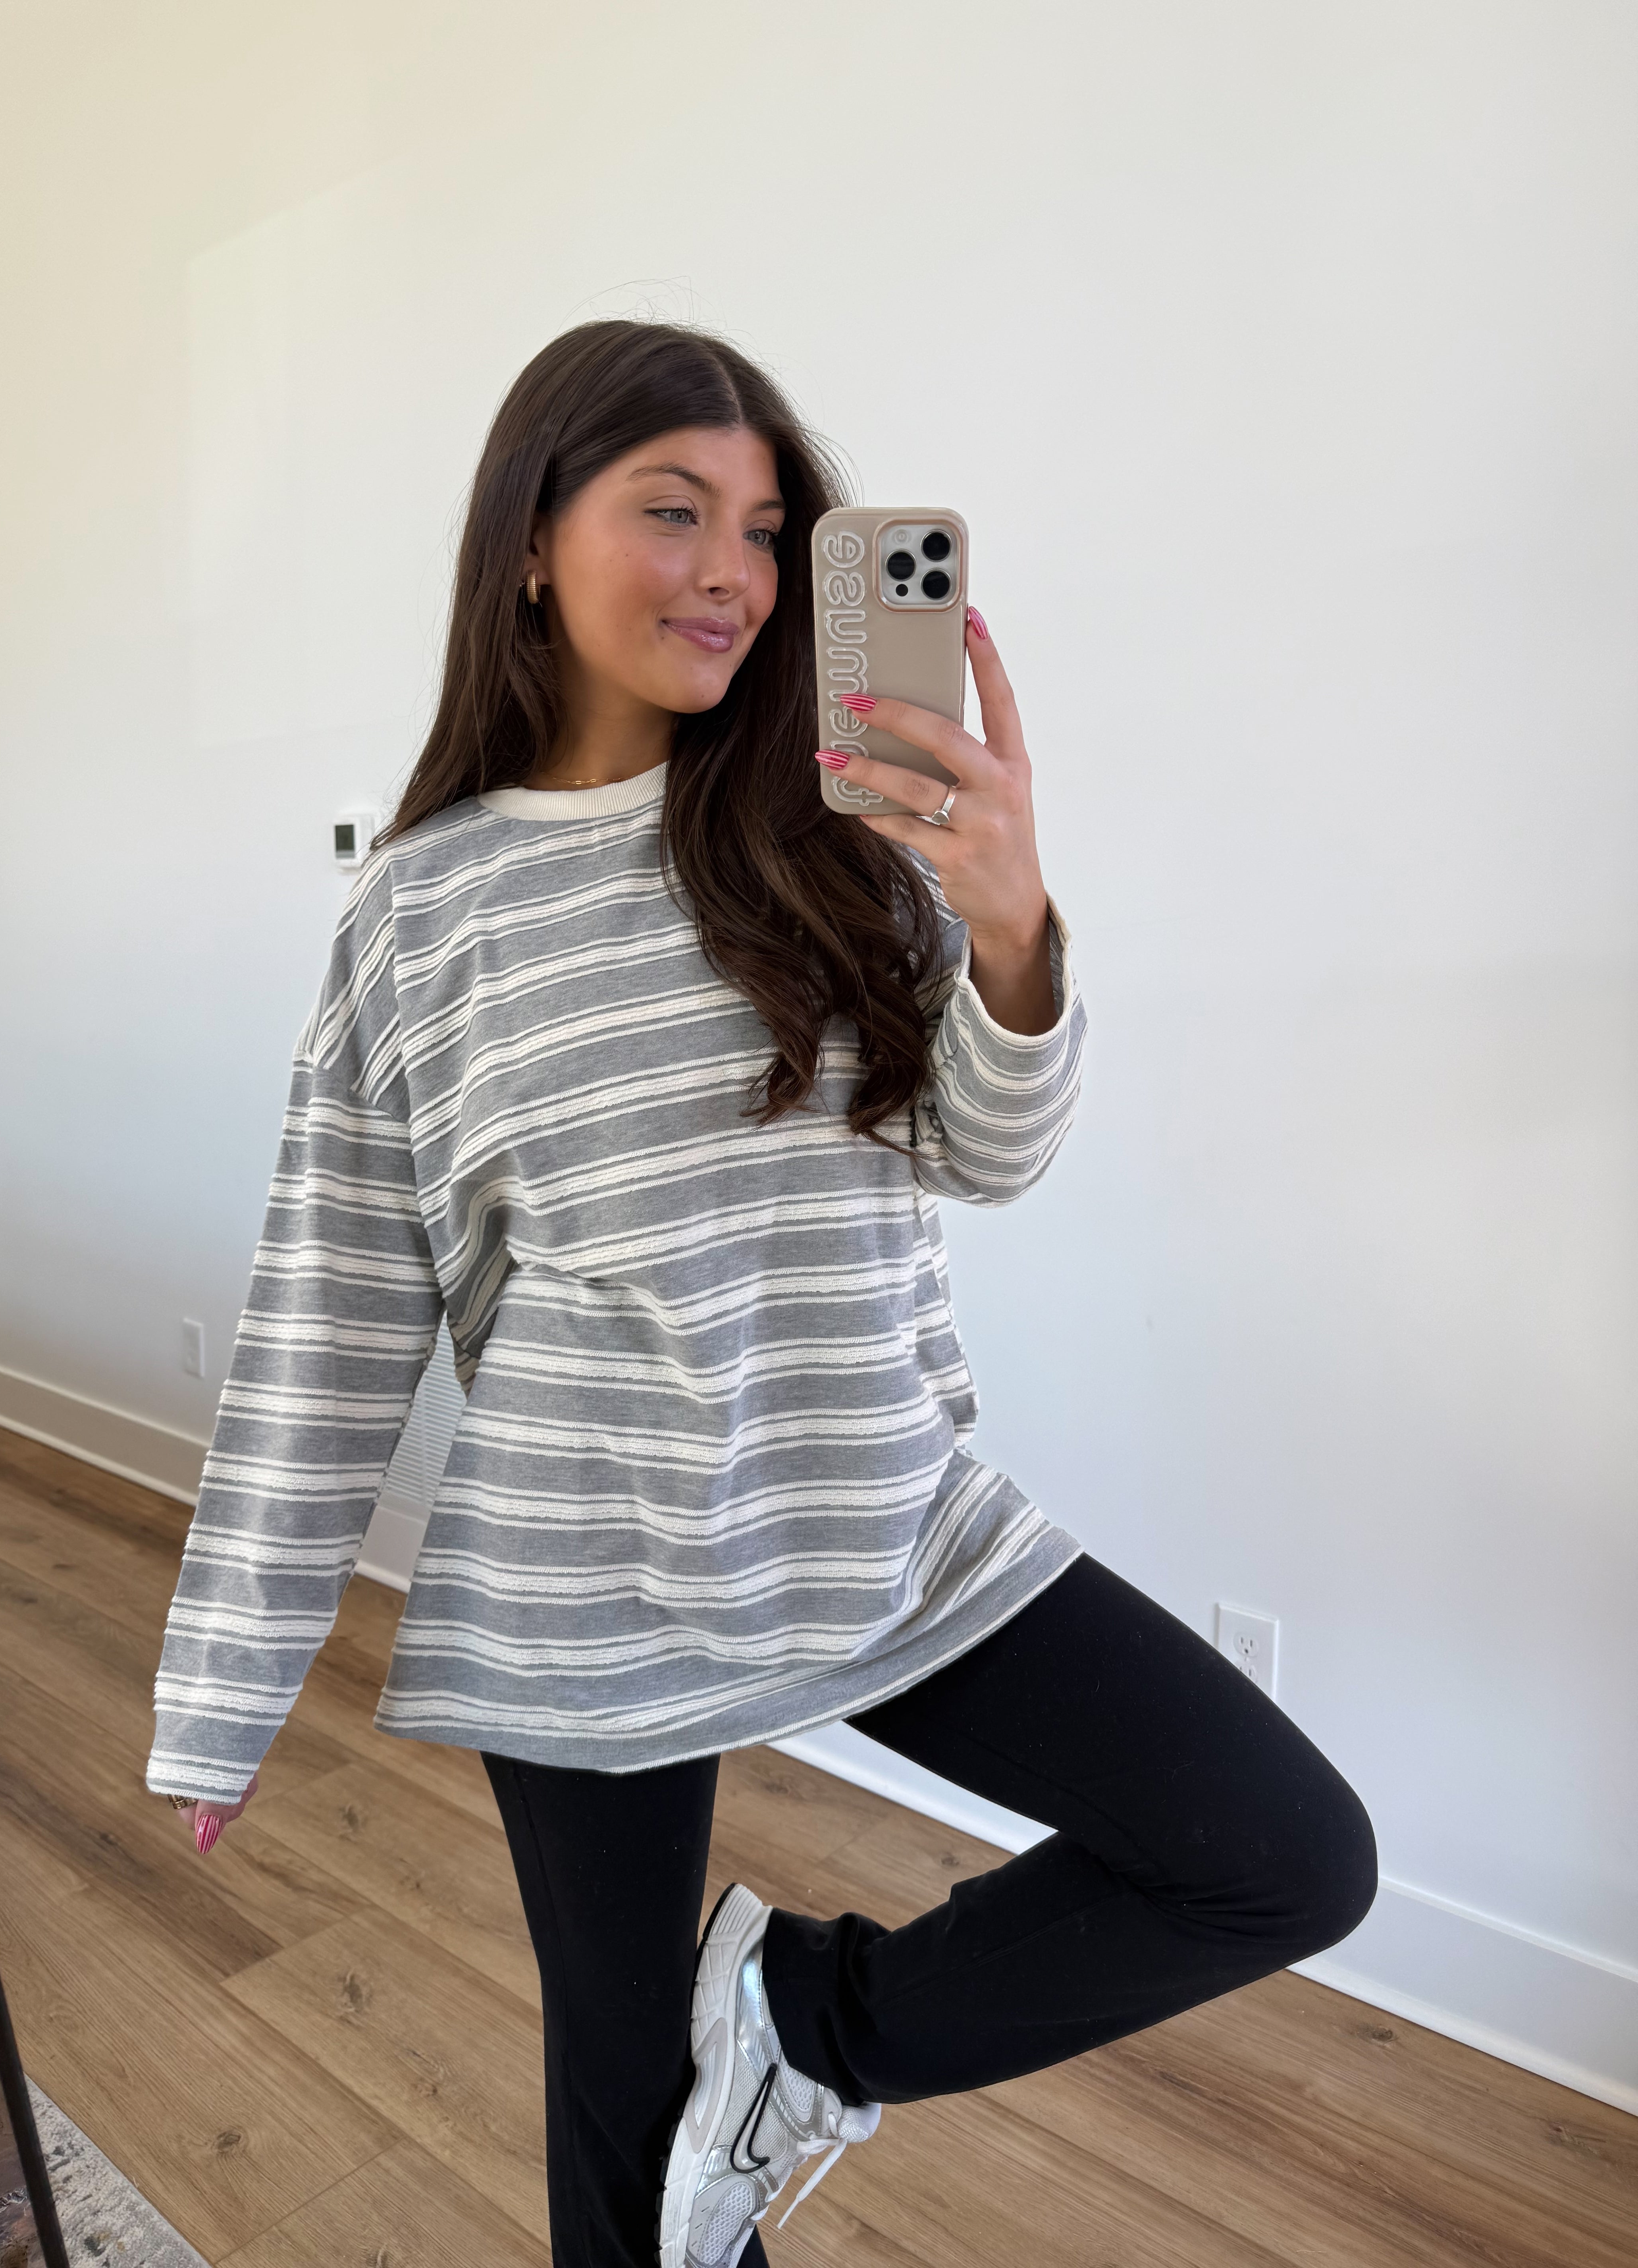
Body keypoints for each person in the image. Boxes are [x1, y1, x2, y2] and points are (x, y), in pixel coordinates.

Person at [145, 320, 1376, 2268]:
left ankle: (804, 2021)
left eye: (768, 529)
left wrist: (1011, 925)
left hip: (876, 1512)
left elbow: (985, 1155)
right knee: (633, 2134)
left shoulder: (846, 836)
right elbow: (331, 1321)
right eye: (673, 511)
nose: (732, 570)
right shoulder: (422, 910)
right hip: (584, 1581)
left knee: (1286, 1855)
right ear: (529, 542)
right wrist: (220, 1697)